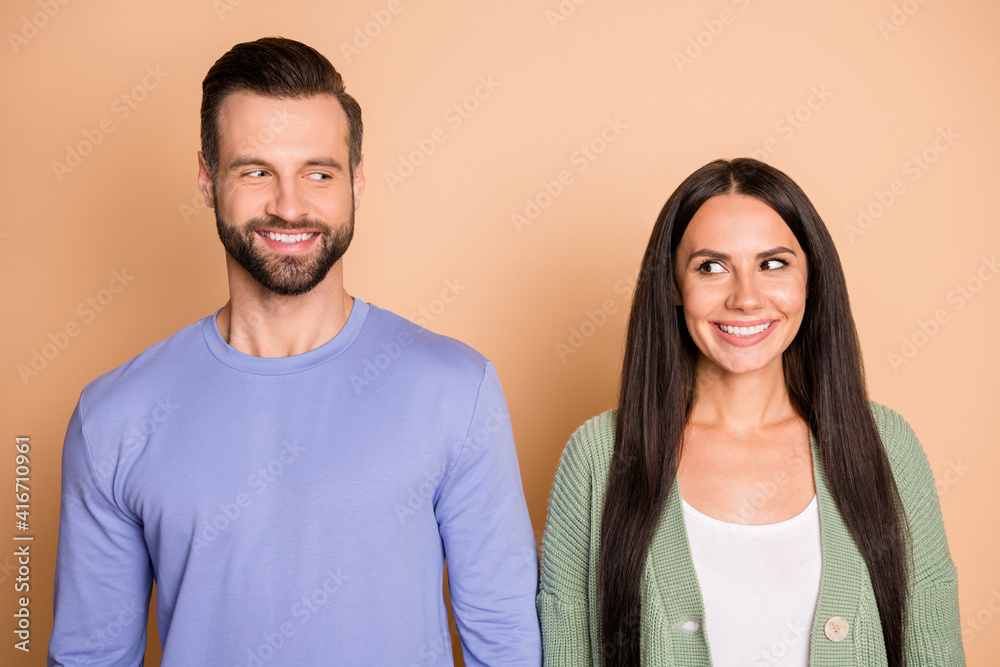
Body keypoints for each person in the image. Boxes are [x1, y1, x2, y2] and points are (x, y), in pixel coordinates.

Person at [49, 37, 541, 666]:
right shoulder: (113, 416)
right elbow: (89, 657)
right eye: (256, 171)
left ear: (356, 180)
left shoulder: (456, 392)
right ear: (207, 178)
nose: (289, 205)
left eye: (318, 173)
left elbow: (506, 645)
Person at [536, 158, 964, 666]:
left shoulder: (886, 444)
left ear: (811, 279)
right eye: (711, 267)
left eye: (773, 264)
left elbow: (933, 646)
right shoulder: (598, 456)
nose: (745, 298)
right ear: (672, 285)